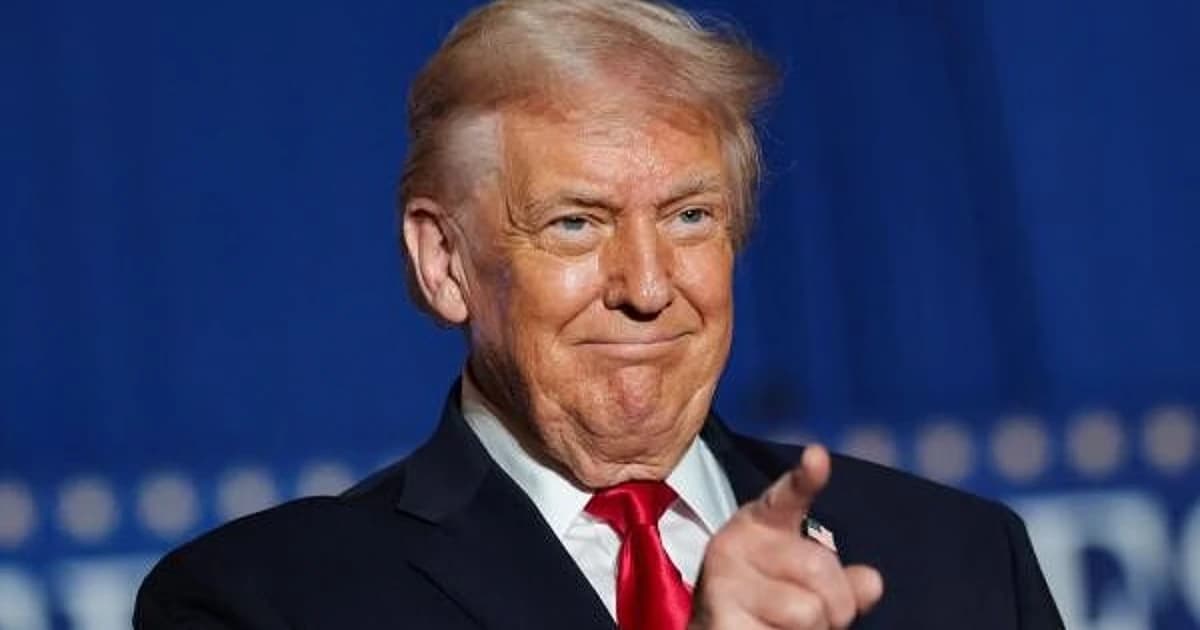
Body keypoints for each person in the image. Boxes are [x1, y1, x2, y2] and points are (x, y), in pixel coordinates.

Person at [135, 1, 1064, 628]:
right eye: (577, 224)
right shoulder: (264, 602)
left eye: (690, 216)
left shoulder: (962, 563)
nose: (649, 286)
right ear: (445, 262)